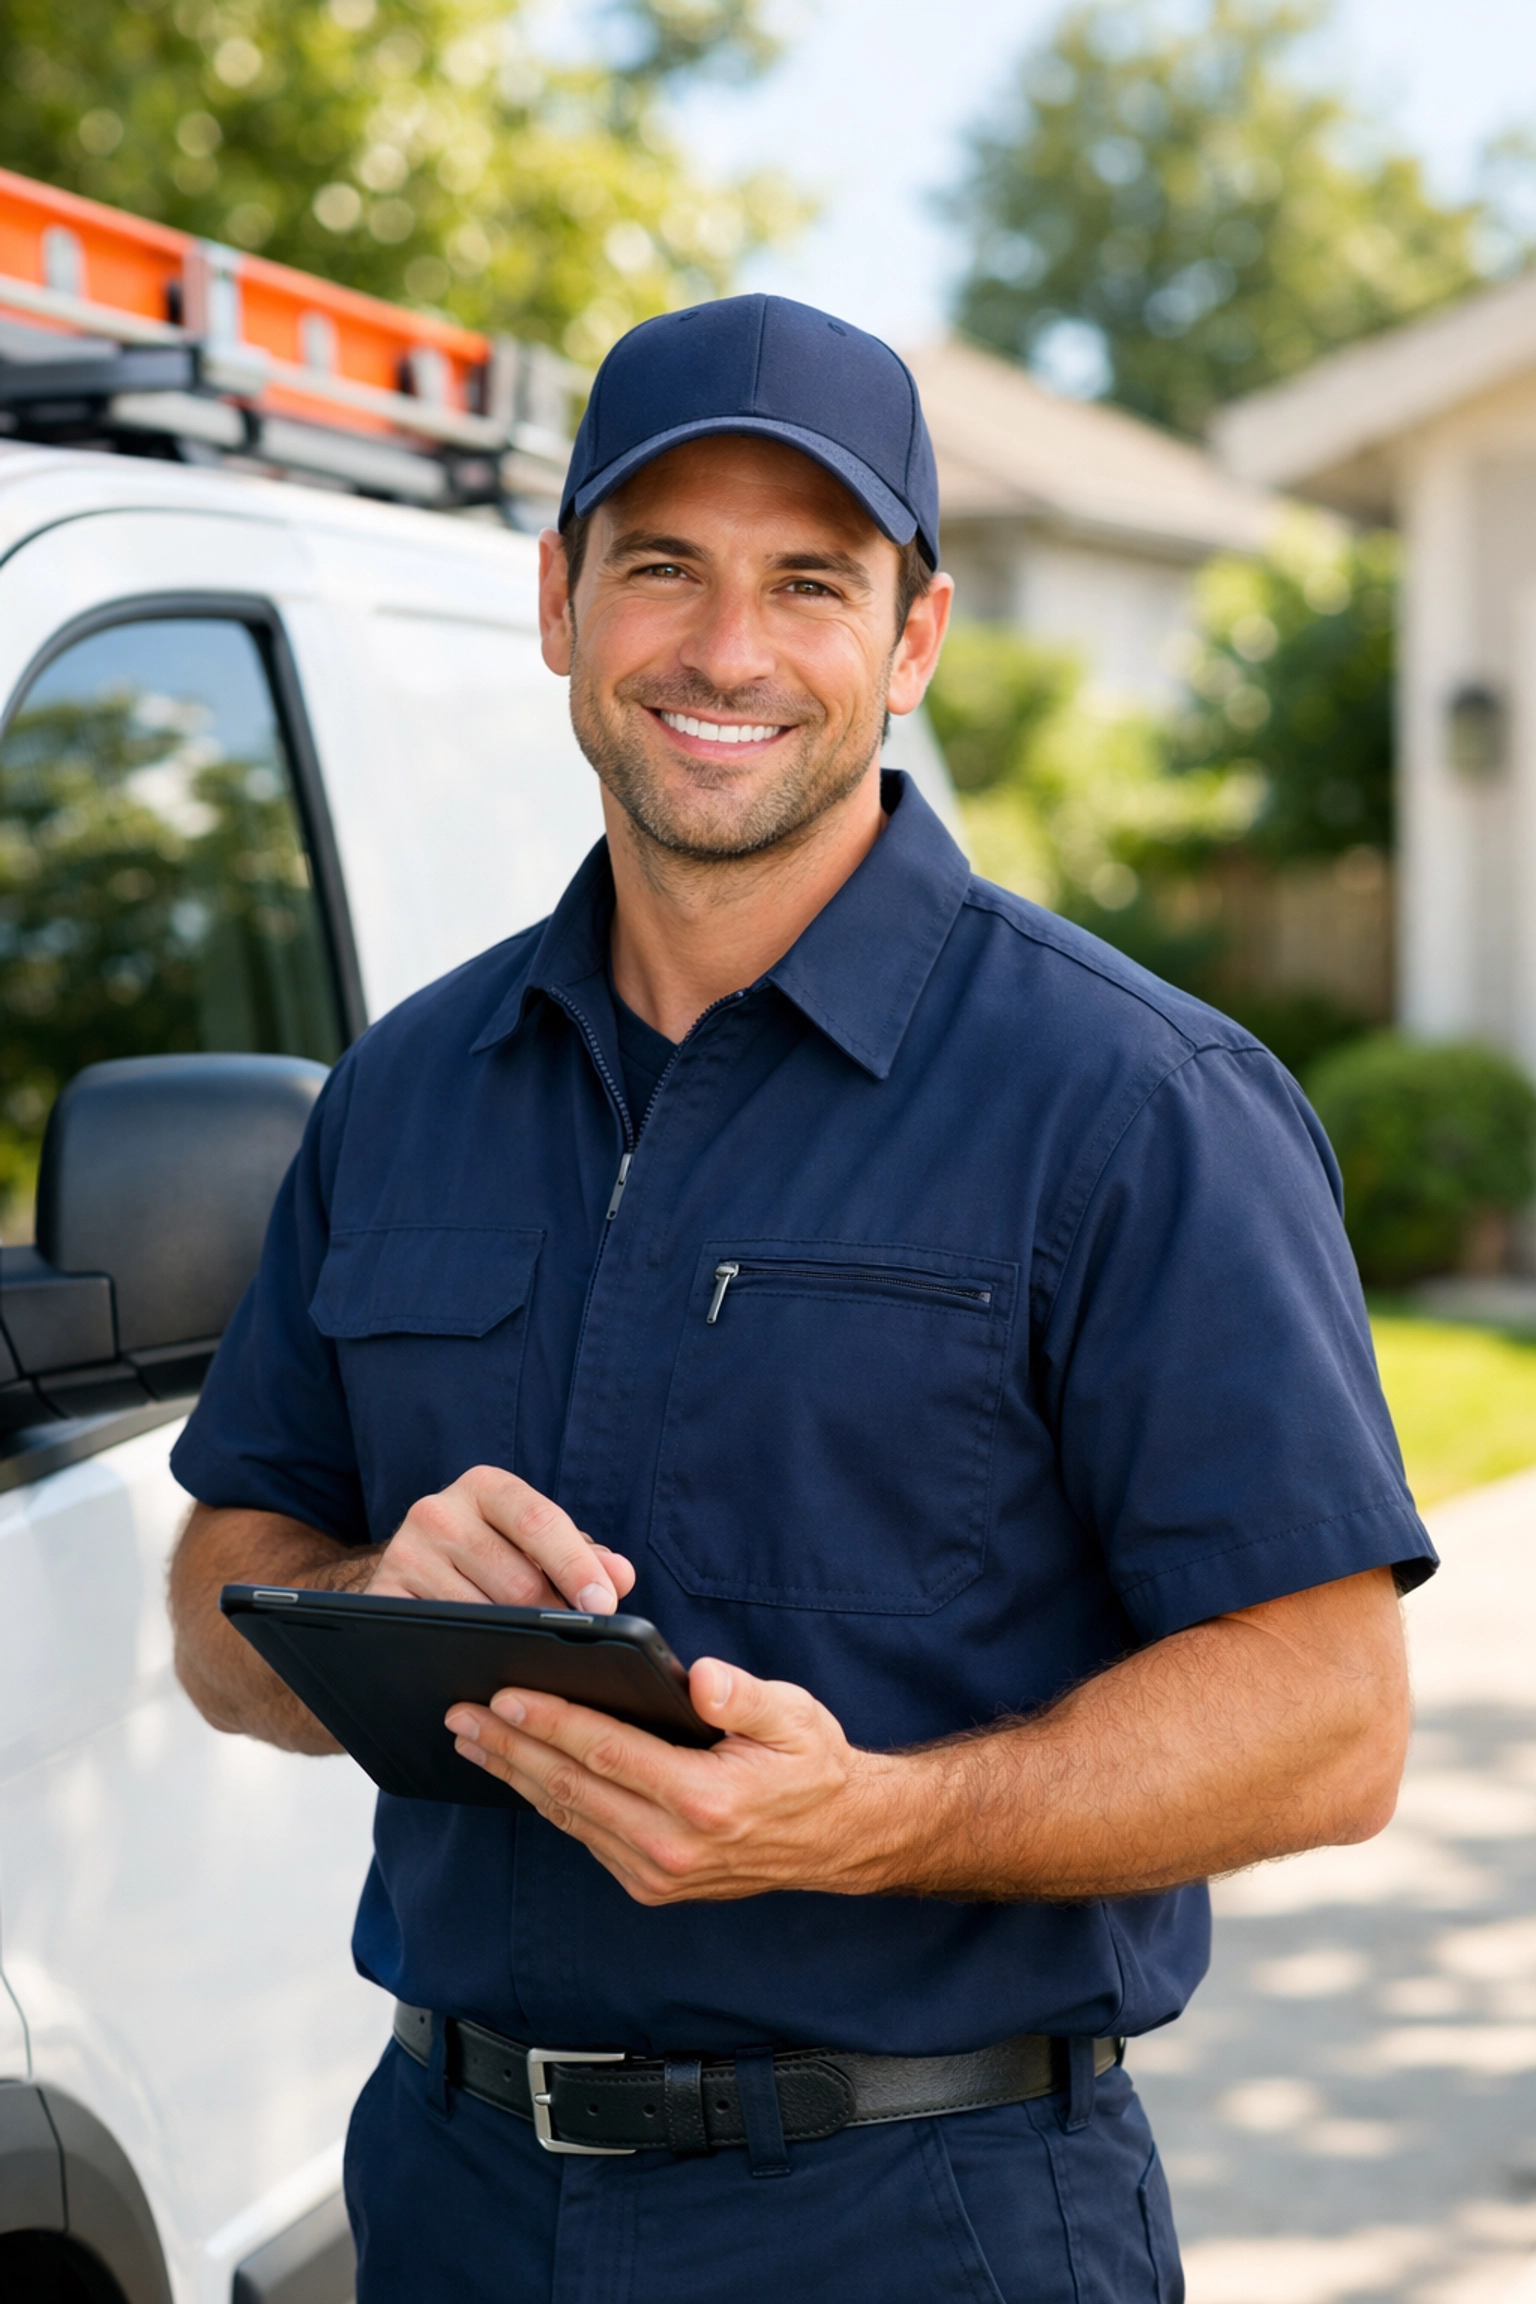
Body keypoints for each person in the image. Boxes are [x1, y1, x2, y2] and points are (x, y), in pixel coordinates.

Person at [168, 293, 1435, 2304]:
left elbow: (1331, 1723)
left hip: (923, 2221)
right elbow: (216, 1599)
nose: (728, 651)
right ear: (560, 606)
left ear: (913, 639)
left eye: (809, 582)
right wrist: (363, 1599)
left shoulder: (1134, 1105)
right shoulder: (404, 1090)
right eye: (659, 567)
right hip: (451, 2200)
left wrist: (874, 1824)